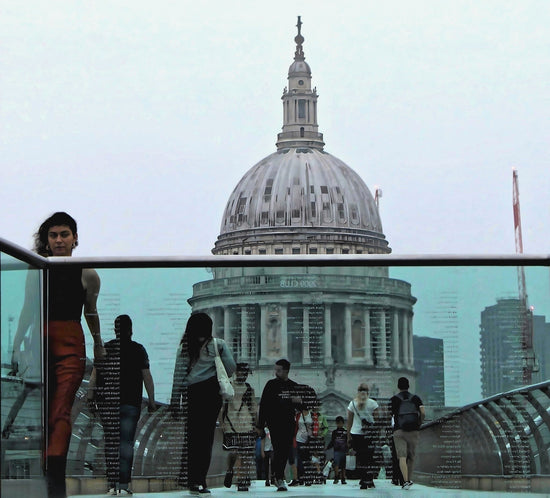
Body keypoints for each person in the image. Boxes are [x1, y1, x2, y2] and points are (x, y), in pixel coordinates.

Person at [11, 212, 105, 498]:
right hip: (41, 344)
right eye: (53, 235)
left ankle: (55, 480)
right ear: (47, 240)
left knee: (62, 409)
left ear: (75, 238)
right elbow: (29, 307)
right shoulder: (37, 268)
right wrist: (17, 345)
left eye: (64, 234)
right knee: (46, 409)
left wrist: (99, 343)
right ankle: (50, 476)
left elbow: (90, 312)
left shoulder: (87, 273)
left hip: (71, 345)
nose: (59, 240)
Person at [87, 314, 156, 495]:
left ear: (115, 330)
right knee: (125, 443)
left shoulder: (105, 349)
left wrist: (89, 398)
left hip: (107, 403)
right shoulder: (138, 350)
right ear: (130, 330)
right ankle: (124, 485)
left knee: (110, 442)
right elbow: (147, 376)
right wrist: (151, 400)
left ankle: (112, 485)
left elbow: (94, 375)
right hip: (130, 404)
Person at [170, 313, 236, 495]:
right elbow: (231, 369)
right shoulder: (218, 345)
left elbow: (178, 376)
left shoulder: (185, 347)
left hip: (193, 394)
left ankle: (192, 480)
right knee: (206, 438)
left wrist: (175, 401)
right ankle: (202, 479)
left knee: (192, 438)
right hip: (211, 394)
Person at [257, 359, 302, 492]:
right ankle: (279, 477)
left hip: (288, 423)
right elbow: (263, 405)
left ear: (286, 371)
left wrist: (298, 401)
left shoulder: (294, 386)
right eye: (275, 370)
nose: (276, 372)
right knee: (277, 448)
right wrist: (260, 425)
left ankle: (278, 476)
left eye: (279, 370)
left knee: (285, 450)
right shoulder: (271, 385)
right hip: (274, 423)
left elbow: (301, 405)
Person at [221, 362, 257, 492]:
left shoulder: (249, 389)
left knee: (246, 453)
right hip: (231, 424)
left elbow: (253, 408)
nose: (244, 375)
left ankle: (243, 479)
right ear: (236, 373)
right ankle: (230, 470)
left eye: (246, 373)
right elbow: (223, 407)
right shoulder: (229, 387)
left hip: (246, 424)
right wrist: (222, 423)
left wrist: (255, 424)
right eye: (242, 372)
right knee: (233, 451)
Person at [390, 377, 425, 491]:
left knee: (402, 457)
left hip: (399, 431)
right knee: (411, 457)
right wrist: (419, 422)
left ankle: (405, 481)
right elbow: (423, 412)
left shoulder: (394, 399)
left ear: (398, 387)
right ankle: (408, 479)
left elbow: (388, 415)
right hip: (413, 430)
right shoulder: (416, 398)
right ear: (409, 386)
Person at [346, 382, 379, 489]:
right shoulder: (373, 403)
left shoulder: (352, 404)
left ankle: (363, 479)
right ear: (368, 392)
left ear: (358, 392)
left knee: (360, 457)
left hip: (356, 433)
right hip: (369, 434)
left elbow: (349, 421)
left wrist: (348, 436)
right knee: (369, 457)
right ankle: (369, 479)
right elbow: (377, 420)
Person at [326, 415, 348, 484]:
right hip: (336, 451)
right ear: (336, 423)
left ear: (343, 423)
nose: (340, 425)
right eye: (338, 423)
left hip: (344, 450)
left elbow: (348, 441)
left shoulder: (345, 432)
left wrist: (349, 449)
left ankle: (343, 478)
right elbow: (332, 441)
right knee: (336, 464)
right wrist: (327, 448)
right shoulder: (334, 432)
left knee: (343, 465)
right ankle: (336, 477)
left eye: (341, 423)